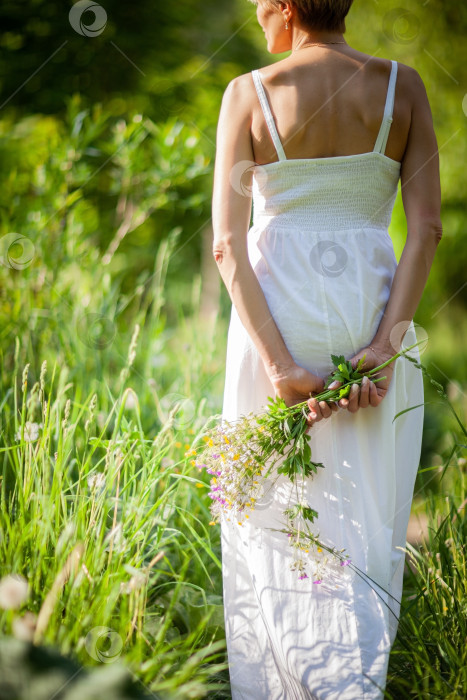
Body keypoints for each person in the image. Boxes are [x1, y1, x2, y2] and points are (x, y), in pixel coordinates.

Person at [211, 0, 442, 697]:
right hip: (369, 317)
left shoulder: (247, 93)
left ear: (283, 6)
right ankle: (352, 679)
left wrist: (279, 364)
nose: (255, 14)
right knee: (365, 517)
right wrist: (386, 342)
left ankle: (288, 682)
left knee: (268, 515)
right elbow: (426, 230)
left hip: (278, 325)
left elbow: (226, 246)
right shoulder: (402, 86)